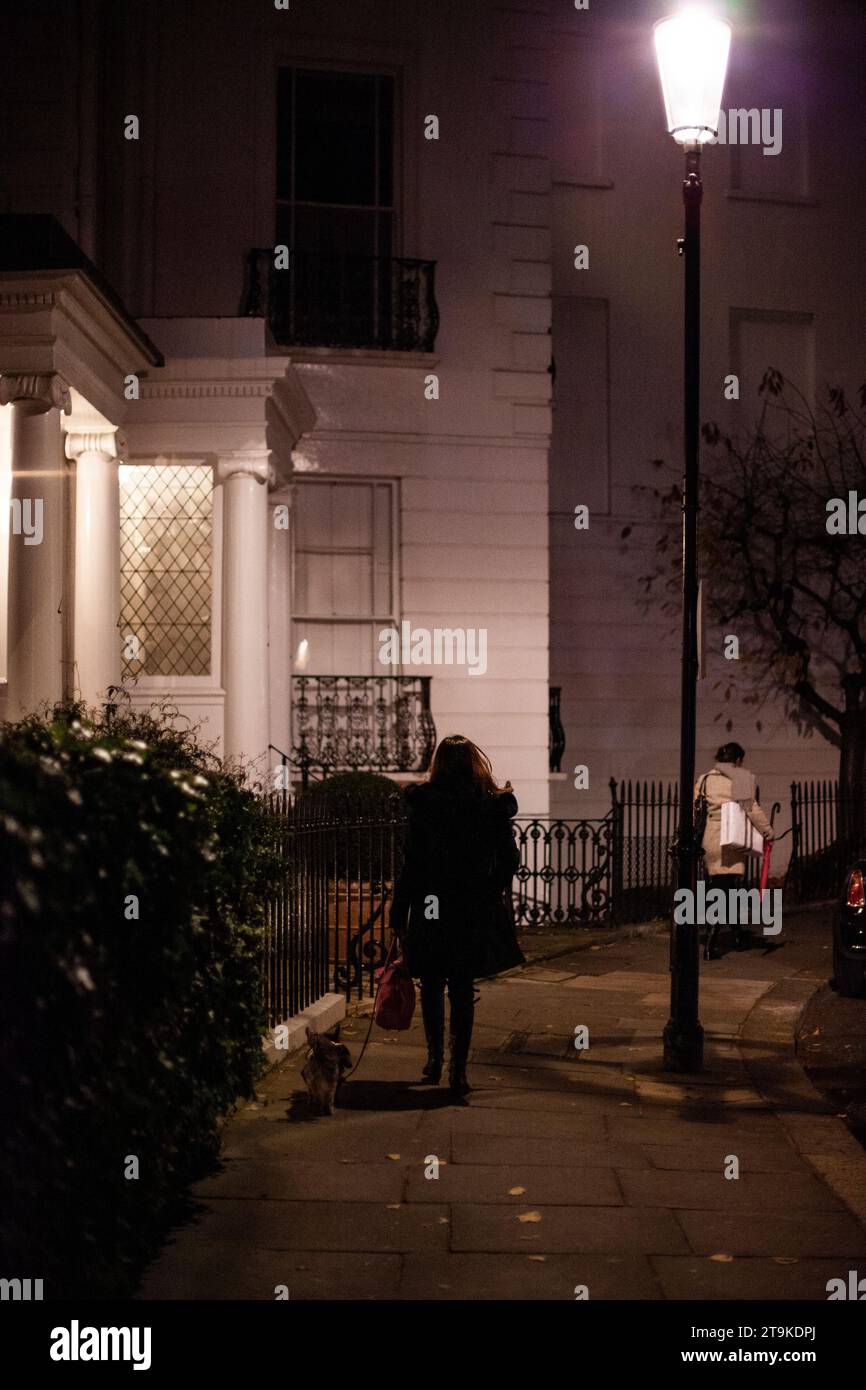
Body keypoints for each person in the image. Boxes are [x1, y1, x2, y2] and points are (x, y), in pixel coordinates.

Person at [389, 734, 524, 1099]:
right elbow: (509, 860)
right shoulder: (489, 806)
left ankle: (434, 1059)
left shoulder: (425, 805)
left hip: (432, 902)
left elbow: (412, 863)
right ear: (472, 763)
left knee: (432, 983)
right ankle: (458, 1071)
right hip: (470, 904)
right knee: (462, 988)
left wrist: (399, 910)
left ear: (439, 765)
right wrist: (489, 888)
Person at [695, 741, 775, 960]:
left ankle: (738, 934)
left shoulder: (704, 780)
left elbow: (696, 809)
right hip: (730, 841)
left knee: (725, 889)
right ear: (738, 760)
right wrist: (767, 831)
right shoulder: (738, 779)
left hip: (710, 840)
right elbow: (752, 810)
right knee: (722, 892)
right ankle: (711, 944)